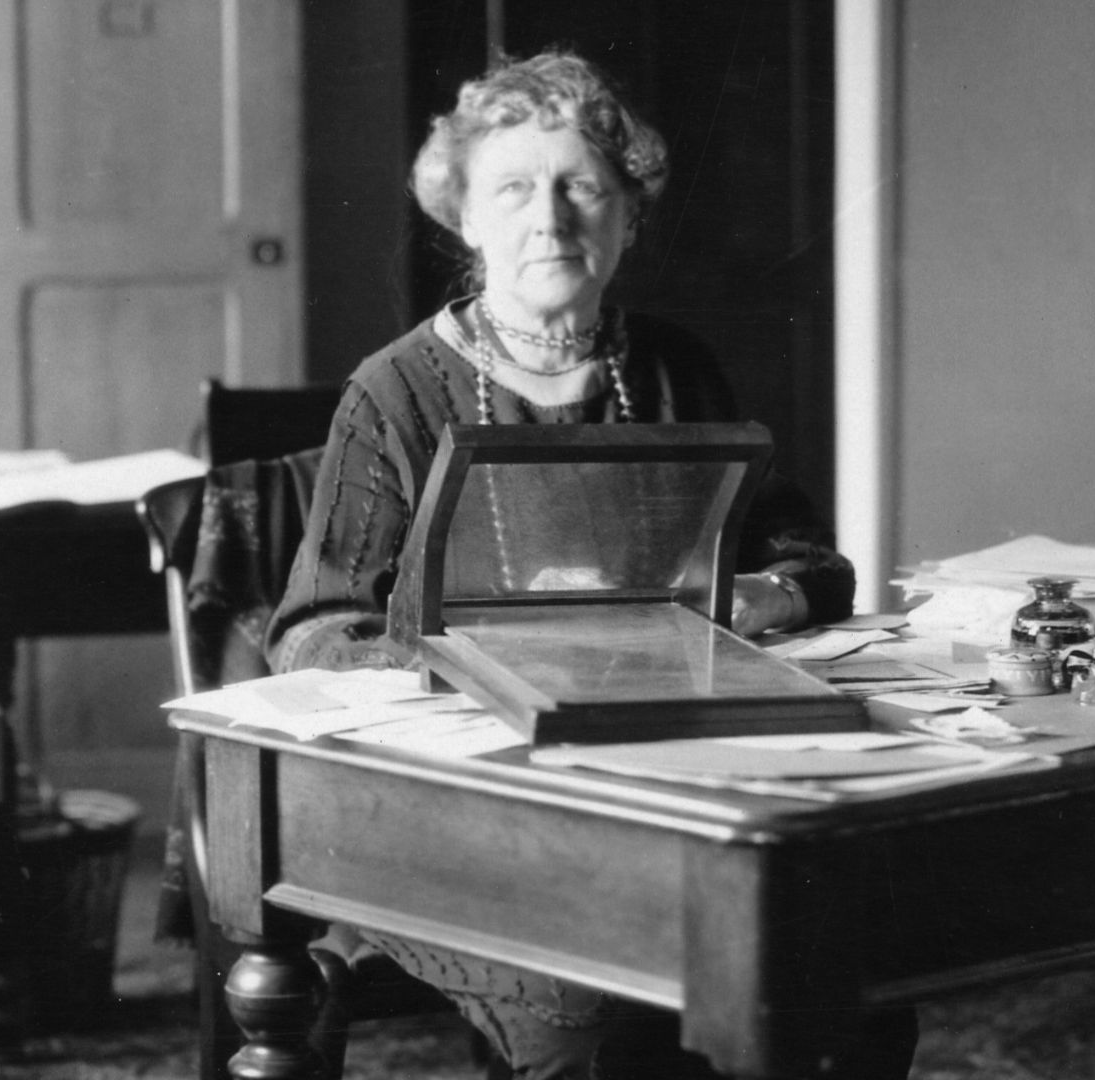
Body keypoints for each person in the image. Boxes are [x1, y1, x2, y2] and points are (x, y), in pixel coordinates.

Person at [265, 50, 916, 1080]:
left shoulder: (673, 368)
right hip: (468, 809)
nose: (551, 219)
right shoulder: (395, 392)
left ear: (629, 216)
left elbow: (814, 565)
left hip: (668, 790)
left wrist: (760, 595)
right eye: (514, 189)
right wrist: (483, 665)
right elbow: (311, 633)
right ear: (465, 220)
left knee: (846, 987)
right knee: (593, 1019)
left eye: (583, 187)